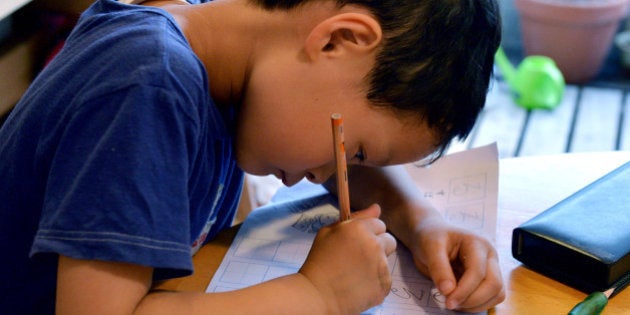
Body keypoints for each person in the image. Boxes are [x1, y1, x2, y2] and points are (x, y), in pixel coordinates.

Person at [0, 0, 504, 313]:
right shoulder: (147, 85)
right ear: (338, 39)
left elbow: (342, 136)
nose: (335, 174)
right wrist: (317, 295)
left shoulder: (225, 62)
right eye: (355, 152)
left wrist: (420, 222)